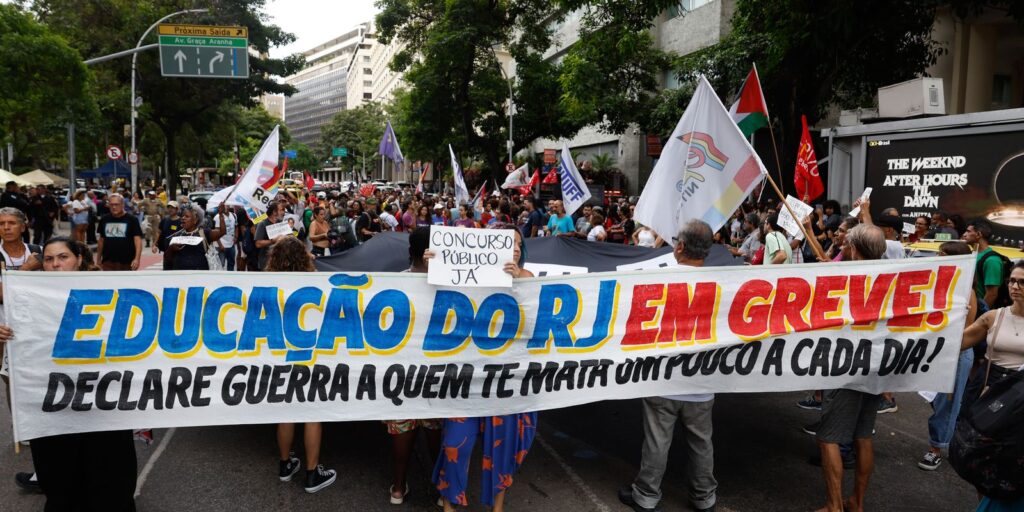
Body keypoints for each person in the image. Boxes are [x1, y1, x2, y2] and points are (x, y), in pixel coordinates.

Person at [17, 237, 139, 510]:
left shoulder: (107, 291)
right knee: (61, 482)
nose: (55, 264)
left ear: (79, 259)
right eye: (48, 259)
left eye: (63, 257)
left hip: (102, 407)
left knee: (110, 480)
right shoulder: (27, 298)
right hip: (54, 409)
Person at [434, 225, 536, 512]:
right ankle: (450, 503)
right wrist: (436, 265)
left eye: (519, 244)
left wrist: (517, 285)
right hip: (466, 376)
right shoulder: (466, 276)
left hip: (506, 379)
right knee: (456, 442)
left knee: (502, 447)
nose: (515, 249)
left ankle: (497, 507)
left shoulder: (527, 278)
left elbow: (535, 326)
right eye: (508, 243)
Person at [619, 219, 718, 512]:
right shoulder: (722, 283)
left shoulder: (658, 279)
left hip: (662, 378)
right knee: (702, 442)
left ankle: (646, 496)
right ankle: (704, 497)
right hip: (702, 380)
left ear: (680, 247)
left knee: (657, 440)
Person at [814, 224, 886, 512]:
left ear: (854, 249)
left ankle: (834, 506)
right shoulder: (891, 275)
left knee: (828, 438)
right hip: (876, 364)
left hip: (845, 365)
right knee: (863, 435)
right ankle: (857, 501)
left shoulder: (844, 278)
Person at [265, 236, 338, 493]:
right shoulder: (315, 283)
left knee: (286, 411)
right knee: (311, 413)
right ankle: (312, 474)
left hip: (280, 355)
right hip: (310, 354)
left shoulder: (267, 284)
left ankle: (285, 465)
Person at [381, 227, 444, 505]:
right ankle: (442, 487)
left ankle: (398, 487)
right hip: (437, 372)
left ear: (410, 252)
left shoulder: (397, 282)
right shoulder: (448, 284)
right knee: (435, 431)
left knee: (403, 429)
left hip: (403, 373)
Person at [959, 259, 1024, 511]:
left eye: (1022, 282)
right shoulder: (994, 316)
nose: (1015, 287)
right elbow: (957, 343)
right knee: (983, 455)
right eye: (1012, 281)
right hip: (990, 388)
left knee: (1014, 461)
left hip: (1020, 397)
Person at [918, 241, 977, 472]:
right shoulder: (937, 284)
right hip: (936, 351)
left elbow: (968, 330)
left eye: (943, 254)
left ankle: (936, 449)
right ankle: (950, 437)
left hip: (956, 354)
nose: (938, 258)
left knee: (947, 403)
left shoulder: (966, 291)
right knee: (938, 400)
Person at [165, 204, 228, 271]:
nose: (183, 218)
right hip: (180, 275)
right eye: (182, 216)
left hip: (200, 275)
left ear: (195, 220)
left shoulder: (204, 233)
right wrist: (171, 248)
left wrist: (221, 215)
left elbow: (222, 232)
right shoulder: (177, 235)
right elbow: (167, 259)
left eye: (187, 216)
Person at [963, 219, 1006, 309]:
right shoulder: (972, 254)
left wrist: (980, 313)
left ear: (978, 234)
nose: (964, 234)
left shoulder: (992, 260)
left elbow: (992, 294)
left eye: (968, 231)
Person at [96, 193, 143, 271]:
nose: (114, 207)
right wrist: (98, 259)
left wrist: (137, 259)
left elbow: (137, 240)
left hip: (127, 261)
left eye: (116, 204)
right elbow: (101, 240)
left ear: (122, 205)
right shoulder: (104, 219)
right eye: (111, 205)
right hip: (108, 261)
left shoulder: (132, 219)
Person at [254, 202, 288, 271]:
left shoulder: (282, 223)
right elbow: (258, 244)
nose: (283, 212)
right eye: (281, 210)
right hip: (266, 261)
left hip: (280, 261)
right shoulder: (262, 224)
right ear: (274, 212)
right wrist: (272, 241)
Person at [213, 203, 238, 270]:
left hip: (231, 244)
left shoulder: (234, 215)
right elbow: (216, 233)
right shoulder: (217, 217)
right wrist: (220, 245)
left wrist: (236, 237)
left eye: (227, 205)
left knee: (231, 263)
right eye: (223, 206)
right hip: (221, 246)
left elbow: (236, 227)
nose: (225, 207)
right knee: (221, 265)